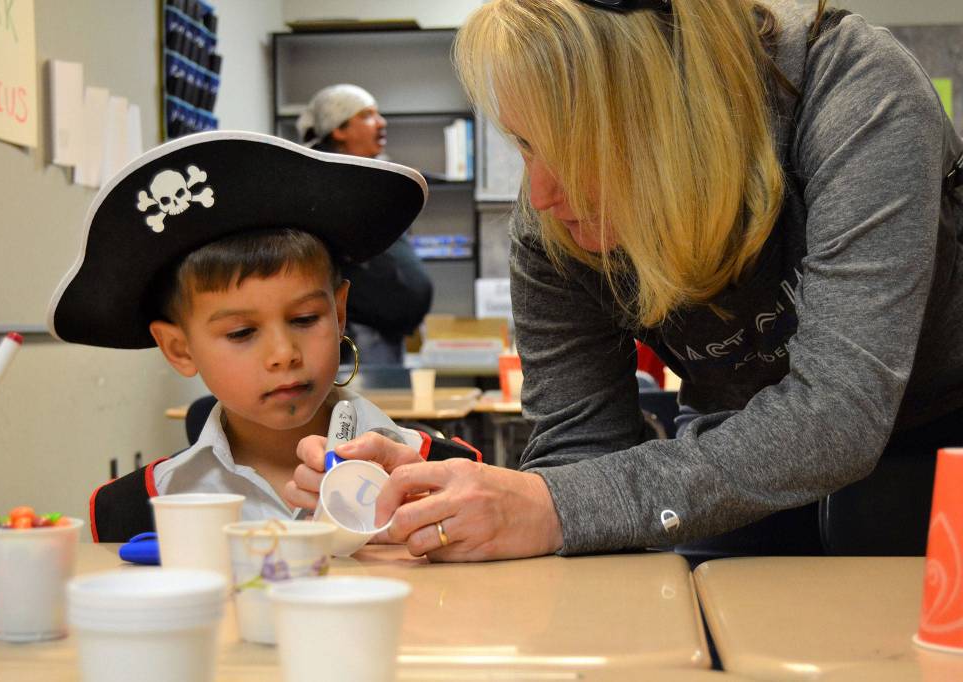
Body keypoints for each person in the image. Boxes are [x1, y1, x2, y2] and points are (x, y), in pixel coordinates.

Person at [283, 0, 963, 562]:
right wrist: (457, 502)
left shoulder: (855, 94)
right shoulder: (550, 228)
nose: (542, 194)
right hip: (735, 423)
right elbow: (583, 451)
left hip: (937, 415)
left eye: (577, 144)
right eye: (526, 142)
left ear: (678, 113)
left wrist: (555, 504)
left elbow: (837, 415)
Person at [47, 131, 480, 542]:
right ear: (178, 348)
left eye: (306, 318)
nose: (283, 353)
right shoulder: (138, 509)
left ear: (340, 312)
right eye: (241, 332)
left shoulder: (444, 478)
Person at [297, 84, 433, 364]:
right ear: (339, 129)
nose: (381, 122)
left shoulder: (371, 181)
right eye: (367, 115)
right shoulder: (325, 183)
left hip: (385, 333)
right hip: (359, 337)